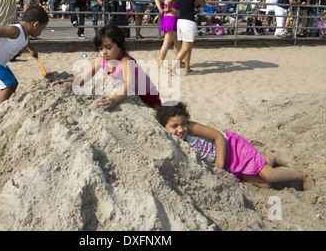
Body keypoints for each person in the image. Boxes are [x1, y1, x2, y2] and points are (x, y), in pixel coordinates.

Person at [155, 102, 315, 191]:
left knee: (270, 176)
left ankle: (303, 175)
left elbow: (218, 136)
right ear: (164, 127)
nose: (180, 129)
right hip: (228, 164)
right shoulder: (172, 143)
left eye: (183, 123)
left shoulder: (192, 128)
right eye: (174, 126)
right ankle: (269, 157)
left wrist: (219, 165)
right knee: (266, 185)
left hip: (233, 148)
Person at [58, 24, 161, 110]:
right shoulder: (100, 60)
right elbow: (83, 78)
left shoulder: (126, 61)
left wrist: (114, 99)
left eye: (108, 47)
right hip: (132, 94)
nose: (104, 52)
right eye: (100, 48)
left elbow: (129, 84)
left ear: (120, 45)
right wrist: (64, 81)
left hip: (148, 96)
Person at [0, 6, 49, 104]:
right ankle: (0, 110)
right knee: (8, 85)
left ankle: (7, 105)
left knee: (13, 83)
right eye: (42, 29)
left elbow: (25, 41)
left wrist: (31, 49)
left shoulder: (24, 35)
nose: (41, 32)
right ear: (36, 25)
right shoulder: (15, 31)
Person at [165, 0, 206, 76]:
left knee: (187, 45)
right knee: (186, 47)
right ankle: (172, 68)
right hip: (188, 21)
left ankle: (187, 68)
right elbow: (203, 3)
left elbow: (169, 1)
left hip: (181, 20)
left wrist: (168, 9)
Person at [155, 0, 183, 70]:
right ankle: (160, 64)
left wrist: (160, 9)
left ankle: (178, 61)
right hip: (172, 19)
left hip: (168, 18)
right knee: (166, 43)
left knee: (176, 42)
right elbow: (170, 1)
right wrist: (168, 7)